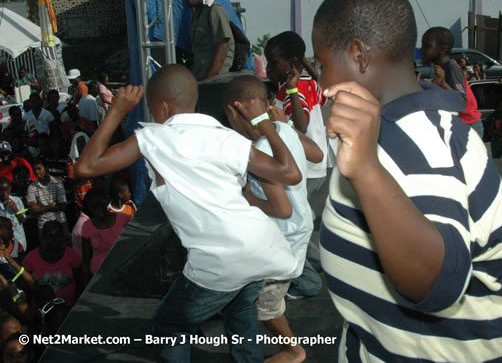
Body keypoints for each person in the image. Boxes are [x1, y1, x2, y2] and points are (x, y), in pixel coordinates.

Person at [313, 0, 502, 362]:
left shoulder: (415, 145)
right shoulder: (400, 126)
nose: (320, 81)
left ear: (359, 56)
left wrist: (366, 171)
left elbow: (439, 283)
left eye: (323, 64)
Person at [75, 64, 303, 362]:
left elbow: (85, 167)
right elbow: (290, 173)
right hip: (263, 245)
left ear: (162, 107)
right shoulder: (227, 137)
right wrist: (264, 122)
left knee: (169, 324)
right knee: (241, 310)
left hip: (221, 258)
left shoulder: (153, 139)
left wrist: (117, 111)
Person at [223, 75, 314, 363]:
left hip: (284, 235)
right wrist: (280, 124)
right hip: (299, 226)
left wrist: (248, 197)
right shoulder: (281, 131)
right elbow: (317, 152)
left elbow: (281, 208)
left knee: (266, 305)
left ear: (235, 111)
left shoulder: (261, 151)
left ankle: (293, 350)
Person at [265, 31, 329, 299]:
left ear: (290, 63)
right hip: (316, 168)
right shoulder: (308, 83)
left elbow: (299, 126)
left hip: (304, 169)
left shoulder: (296, 88)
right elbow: (323, 92)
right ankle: (316, 264)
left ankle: (307, 280)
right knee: (307, 223)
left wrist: (287, 94)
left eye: (272, 63)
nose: (268, 69)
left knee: (292, 226)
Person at [421, 26, 484, 139]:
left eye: (427, 46)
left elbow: (462, 102)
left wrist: (443, 84)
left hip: (468, 126)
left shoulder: (451, 68)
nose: (422, 50)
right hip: (458, 125)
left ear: (443, 49)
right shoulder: (441, 68)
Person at [177, 0, 234, 80]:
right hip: (200, 75)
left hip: (216, 79)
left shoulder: (215, 11)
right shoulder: (196, 14)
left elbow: (222, 48)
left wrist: (209, 79)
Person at [23, 221, 82, 306]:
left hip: (69, 306)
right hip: (42, 309)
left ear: (62, 237)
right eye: (50, 236)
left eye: (57, 236)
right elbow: (27, 288)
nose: (53, 240)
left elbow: (80, 282)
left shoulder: (72, 256)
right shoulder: (30, 258)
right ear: (43, 237)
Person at [80, 189, 130, 279]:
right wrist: (86, 286)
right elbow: (86, 260)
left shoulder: (124, 219)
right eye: (94, 206)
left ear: (106, 203)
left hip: (122, 270)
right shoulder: (87, 226)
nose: (98, 209)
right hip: (99, 274)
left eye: (100, 205)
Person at [25, 159, 68, 242]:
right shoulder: (32, 187)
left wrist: (41, 208)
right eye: (34, 170)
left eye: (39, 169)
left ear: (46, 168)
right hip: (43, 224)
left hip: (60, 221)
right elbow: (33, 210)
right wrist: (50, 206)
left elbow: (63, 206)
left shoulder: (57, 183)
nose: (36, 172)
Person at [66, 132, 93, 209]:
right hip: (80, 197)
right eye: (79, 142)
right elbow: (71, 179)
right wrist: (87, 174)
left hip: (94, 196)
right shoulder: (71, 160)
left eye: (83, 141)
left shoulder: (92, 156)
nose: (81, 144)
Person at [0, 178, 27, 252]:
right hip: (3, 242)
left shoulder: (17, 200)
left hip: (18, 238)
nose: (5, 193)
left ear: (10, 188)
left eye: (7, 190)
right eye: (2, 190)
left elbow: (23, 220)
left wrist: (15, 208)